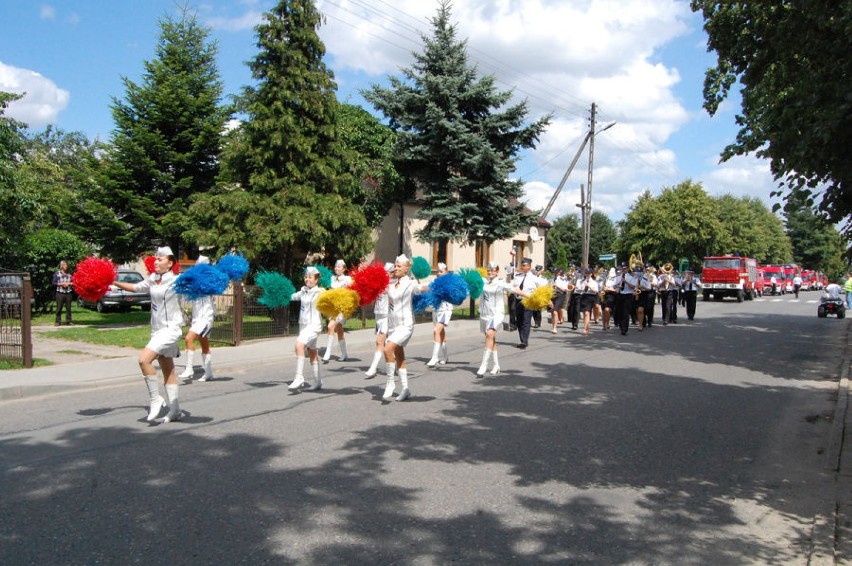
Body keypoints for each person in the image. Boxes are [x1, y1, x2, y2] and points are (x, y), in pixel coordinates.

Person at [112, 247, 185, 424]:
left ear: (170, 262)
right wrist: (113, 281)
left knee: (144, 360)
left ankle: (156, 399)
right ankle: (175, 410)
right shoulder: (153, 279)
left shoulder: (177, 281)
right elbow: (135, 287)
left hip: (171, 330)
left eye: (160, 259)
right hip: (157, 330)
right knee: (168, 369)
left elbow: (198, 286)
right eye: (155, 259)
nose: (156, 261)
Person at [382, 255, 429, 401]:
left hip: (405, 325)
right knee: (399, 355)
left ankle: (390, 383)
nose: (396, 268)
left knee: (387, 349)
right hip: (393, 326)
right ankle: (405, 389)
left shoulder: (410, 283)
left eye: (399, 266)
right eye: (395, 266)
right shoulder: (391, 284)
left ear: (407, 268)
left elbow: (420, 288)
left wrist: (432, 286)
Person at [178, 255, 216, 382]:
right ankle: (209, 372)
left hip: (206, 318)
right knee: (204, 344)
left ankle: (189, 369)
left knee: (189, 338)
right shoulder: (195, 282)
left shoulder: (209, 282)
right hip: (197, 318)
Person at [288, 266, 325, 392]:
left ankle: (299, 377)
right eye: (306, 276)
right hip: (303, 325)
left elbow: (330, 301)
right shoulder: (303, 291)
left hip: (314, 326)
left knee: (299, 346)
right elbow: (292, 297)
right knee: (312, 351)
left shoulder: (320, 292)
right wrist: (279, 293)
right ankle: (318, 381)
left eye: (310, 277)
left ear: (316, 280)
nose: (307, 279)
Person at [476, 261, 515, 376]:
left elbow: (514, 290)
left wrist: (530, 296)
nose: (490, 272)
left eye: (493, 270)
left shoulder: (500, 283)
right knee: (490, 338)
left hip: (497, 314)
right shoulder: (483, 281)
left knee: (489, 335)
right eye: (489, 270)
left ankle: (483, 365)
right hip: (484, 314)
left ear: (497, 272)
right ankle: (496, 365)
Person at [365, 262, 395, 378]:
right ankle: (395, 361)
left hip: (388, 316)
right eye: (383, 272)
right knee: (389, 343)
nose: (385, 275)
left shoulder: (393, 285)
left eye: (387, 273)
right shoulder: (378, 283)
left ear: (392, 274)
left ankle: (373, 368)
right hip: (378, 315)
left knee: (379, 341)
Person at [322, 259, 352, 363]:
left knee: (330, 326)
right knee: (339, 328)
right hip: (333, 307)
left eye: (339, 267)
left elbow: (352, 290)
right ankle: (344, 353)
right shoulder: (332, 278)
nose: (337, 268)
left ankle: (328, 352)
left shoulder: (347, 279)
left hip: (342, 307)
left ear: (344, 269)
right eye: (336, 266)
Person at [512, 257, 545, 348]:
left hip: (528, 301)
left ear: (529, 267)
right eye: (522, 265)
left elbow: (542, 289)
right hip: (518, 300)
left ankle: (524, 341)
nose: (522, 267)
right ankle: (522, 338)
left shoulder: (534, 278)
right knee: (519, 321)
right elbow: (514, 286)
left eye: (524, 265)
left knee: (526, 321)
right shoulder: (518, 276)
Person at [426, 262, 453, 368]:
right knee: (441, 334)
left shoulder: (450, 283)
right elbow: (426, 287)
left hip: (446, 310)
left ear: (446, 272)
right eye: (437, 271)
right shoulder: (434, 281)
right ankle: (446, 357)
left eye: (441, 271)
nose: (438, 273)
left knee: (436, 331)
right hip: (436, 310)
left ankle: (434, 357)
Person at [614, 263, 637, 335]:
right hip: (620, 295)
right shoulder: (617, 277)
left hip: (628, 295)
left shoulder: (631, 277)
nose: (623, 270)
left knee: (625, 313)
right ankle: (621, 326)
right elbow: (614, 286)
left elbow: (633, 286)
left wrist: (625, 282)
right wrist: (619, 284)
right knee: (620, 312)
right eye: (622, 269)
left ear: (627, 269)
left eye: (624, 269)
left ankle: (624, 329)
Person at [577, 268, 600, 336]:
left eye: (588, 273)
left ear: (591, 274)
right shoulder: (582, 281)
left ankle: (586, 328)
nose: (587, 274)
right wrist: (582, 287)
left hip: (591, 297)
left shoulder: (594, 282)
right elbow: (579, 288)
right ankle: (586, 326)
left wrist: (589, 286)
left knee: (587, 313)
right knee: (585, 313)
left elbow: (596, 291)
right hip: (584, 296)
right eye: (586, 273)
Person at [52, 260, 74, 326]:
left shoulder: (69, 274)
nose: (66, 266)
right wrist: (61, 284)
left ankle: (69, 321)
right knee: (59, 308)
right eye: (65, 265)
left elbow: (74, 282)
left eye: (66, 265)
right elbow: (53, 283)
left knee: (68, 308)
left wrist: (69, 283)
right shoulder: (57, 274)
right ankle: (58, 321)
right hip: (60, 293)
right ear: (61, 266)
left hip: (68, 293)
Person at [550, 268, 569, 334]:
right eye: (555, 272)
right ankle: (553, 326)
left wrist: (557, 286)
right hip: (552, 295)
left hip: (560, 295)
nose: (556, 273)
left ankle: (555, 327)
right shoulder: (551, 279)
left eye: (557, 272)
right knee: (552, 311)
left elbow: (565, 290)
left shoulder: (563, 279)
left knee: (555, 311)